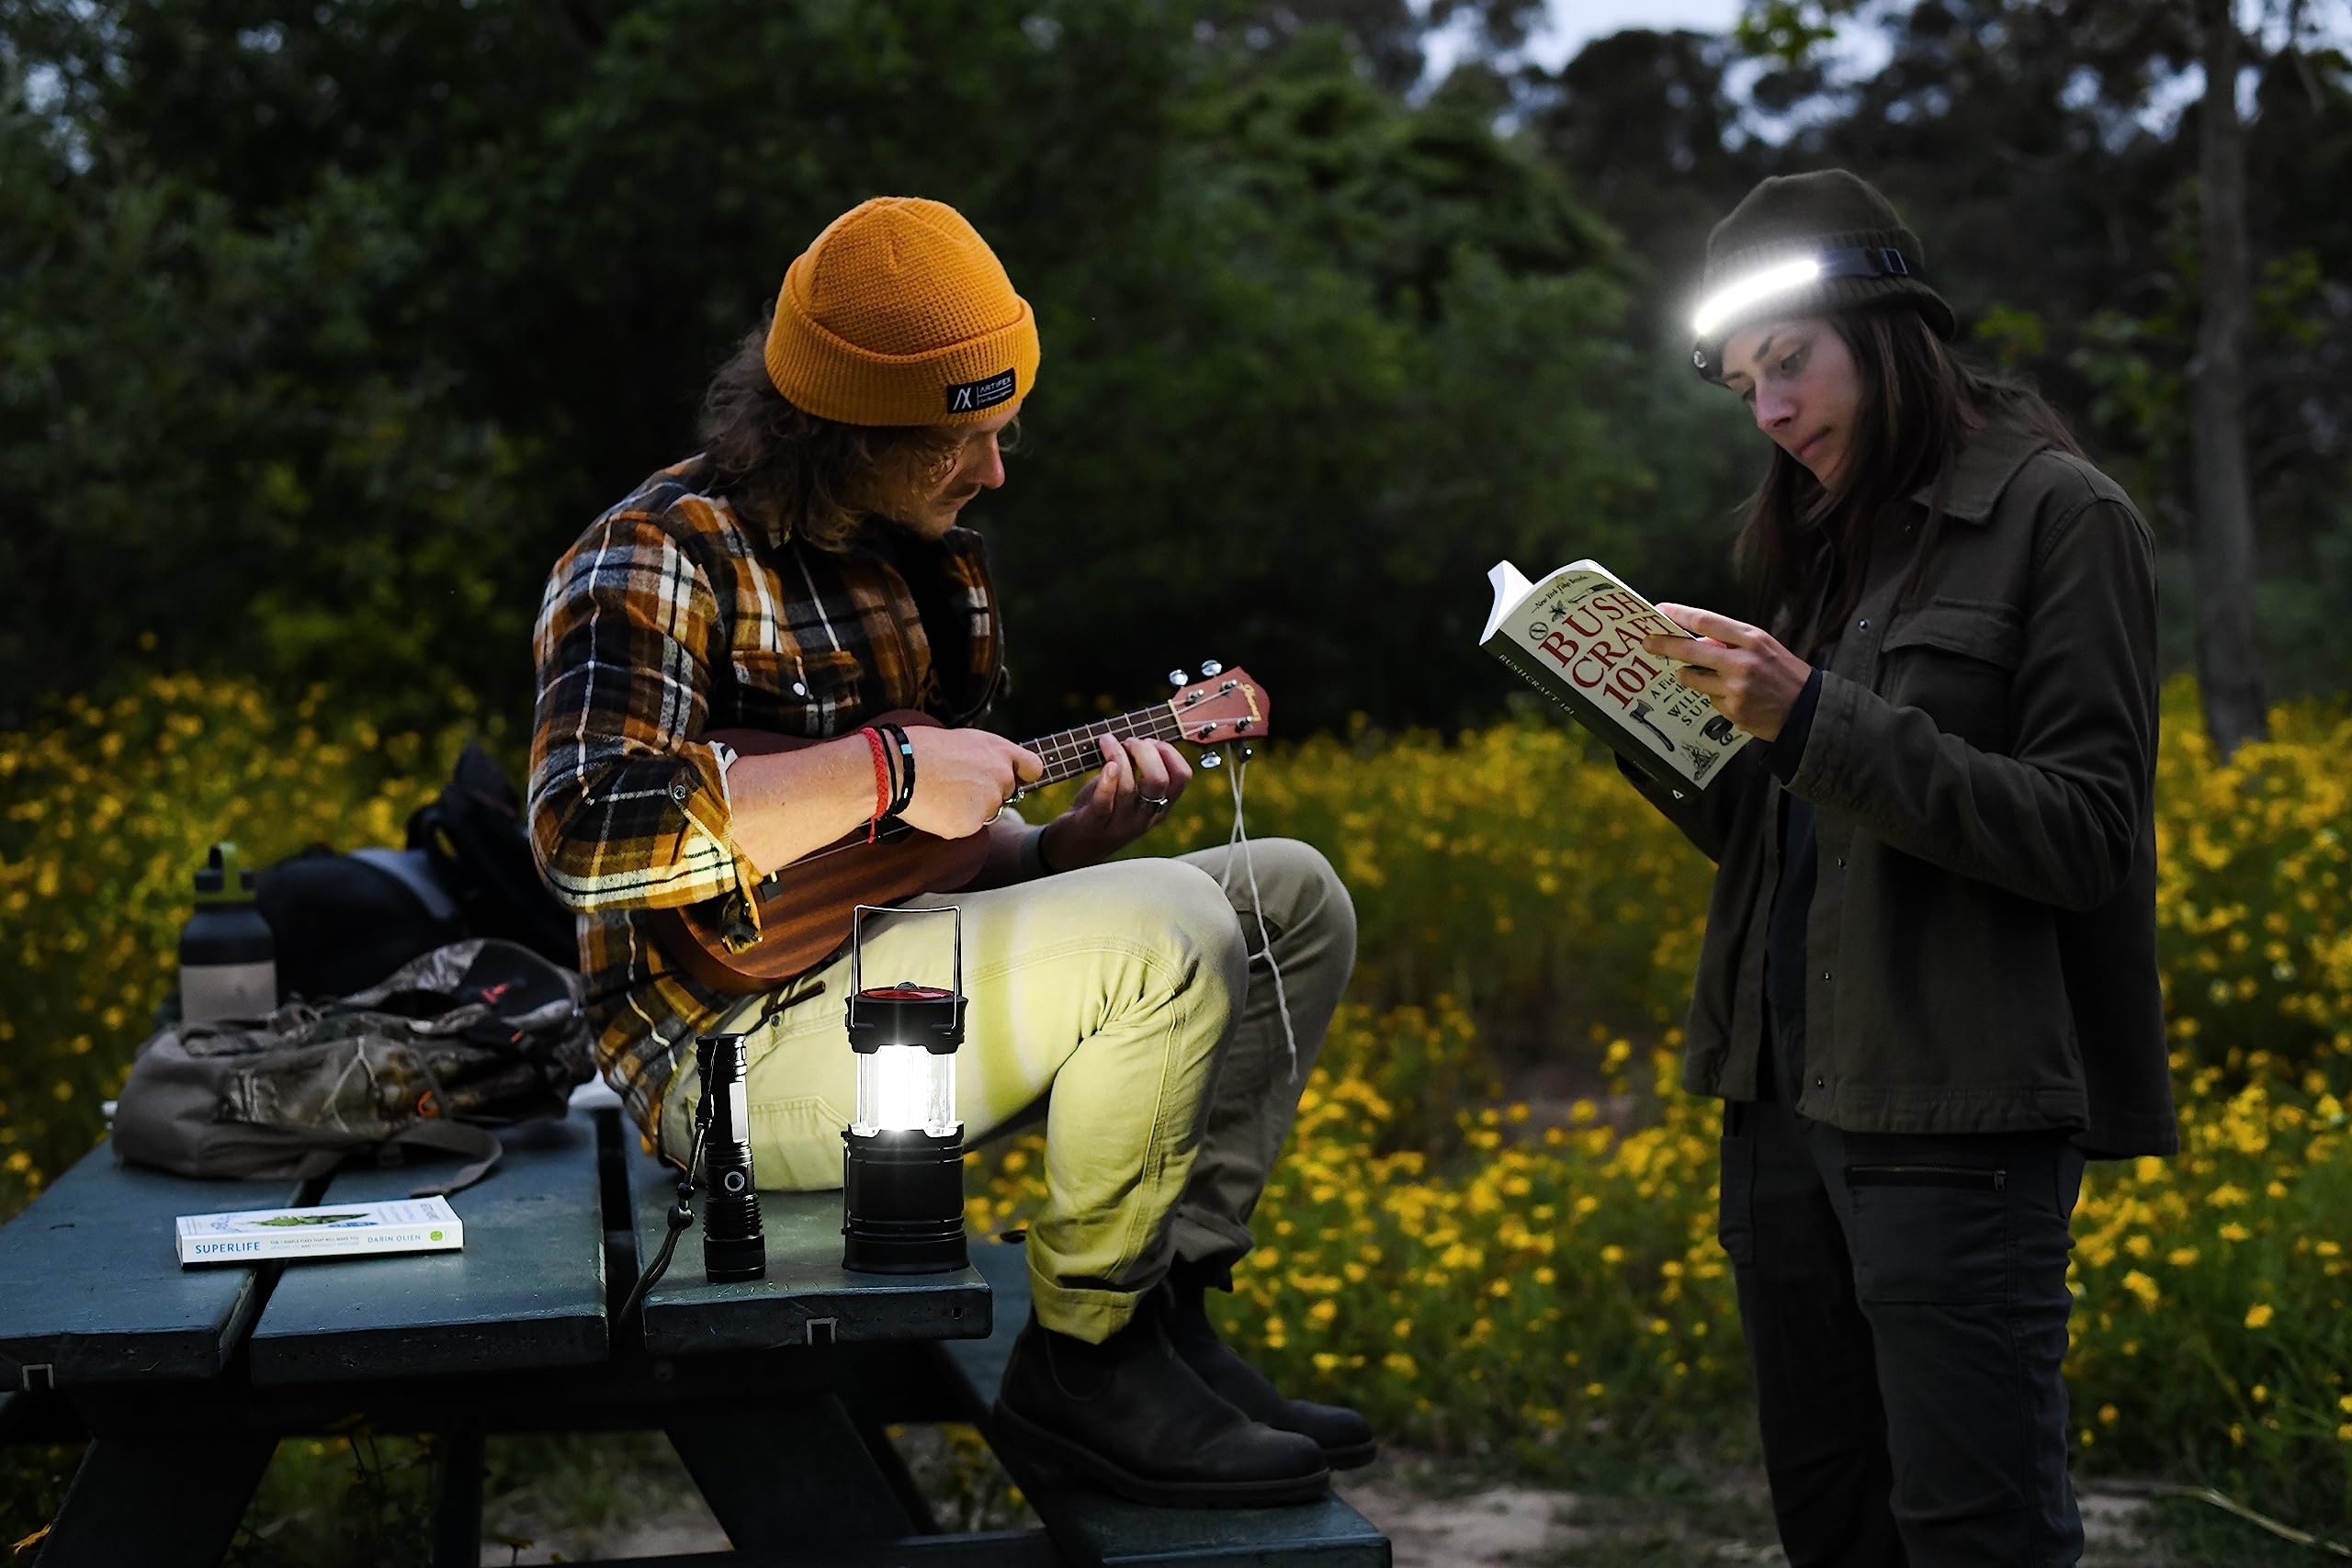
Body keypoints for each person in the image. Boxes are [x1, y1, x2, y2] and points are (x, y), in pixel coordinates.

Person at [525, 197, 1370, 1508]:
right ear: (841, 433)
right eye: (958, 443)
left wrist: (1061, 847)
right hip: (730, 1069)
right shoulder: (653, 556)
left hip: (889, 990)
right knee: (1172, 927)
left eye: (1001, 432)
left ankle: (1169, 1313)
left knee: (1289, 897)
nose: (993, 473)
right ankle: (1083, 1367)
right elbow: (582, 839)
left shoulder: (930, 565)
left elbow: (906, 868)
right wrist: (892, 768)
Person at [1616, 169, 2175, 1566]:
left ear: (1889, 325)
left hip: (1956, 1130)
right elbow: (1794, 829)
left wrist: (1811, 714)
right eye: (1746, 382)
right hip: (1783, 1121)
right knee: (1833, 1527)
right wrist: (1647, 724)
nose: (1772, 413)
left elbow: (2083, 831)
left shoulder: (2064, 519)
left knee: (1976, 1534)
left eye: (1790, 361)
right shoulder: (1824, 544)